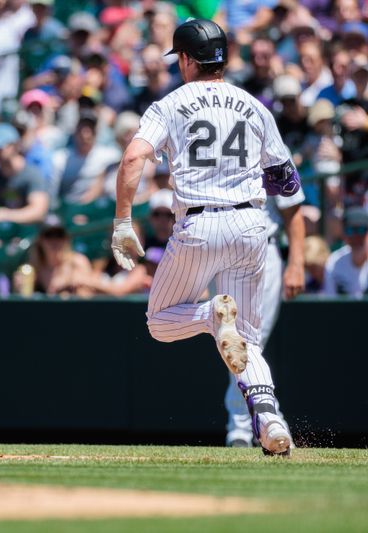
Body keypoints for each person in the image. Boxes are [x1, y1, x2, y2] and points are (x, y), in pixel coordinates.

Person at [111, 19, 299, 456]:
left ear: (185, 59)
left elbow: (134, 156)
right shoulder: (254, 105)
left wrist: (123, 221)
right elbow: (287, 182)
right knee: (246, 340)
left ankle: (212, 316)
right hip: (252, 226)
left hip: (200, 222)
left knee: (160, 323)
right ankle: (269, 422)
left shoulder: (171, 104)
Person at [223, 183, 307, 447]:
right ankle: (270, 421)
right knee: (232, 342)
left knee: (248, 344)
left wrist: (296, 263)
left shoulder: (270, 148)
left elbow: (293, 212)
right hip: (222, 252)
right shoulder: (218, 148)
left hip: (264, 250)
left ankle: (244, 428)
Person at [0, 123, 49, 225]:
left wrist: (7, 215)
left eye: (0, 148)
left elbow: (38, 211)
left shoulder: (32, 175)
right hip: (3, 234)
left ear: (14, 146)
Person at [20, 214, 95, 297]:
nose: (54, 240)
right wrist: (19, 287)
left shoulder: (77, 263)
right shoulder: (33, 268)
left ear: (66, 238)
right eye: (49, 235)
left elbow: (87, 297)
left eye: (59, 235)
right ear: (40, 240)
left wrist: (76, 282)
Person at [323, 206, 368, 297]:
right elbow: (330, 301)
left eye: (361, 230)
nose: (356, 237)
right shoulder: (334, 261)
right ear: (344, 235)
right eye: (350, 231)